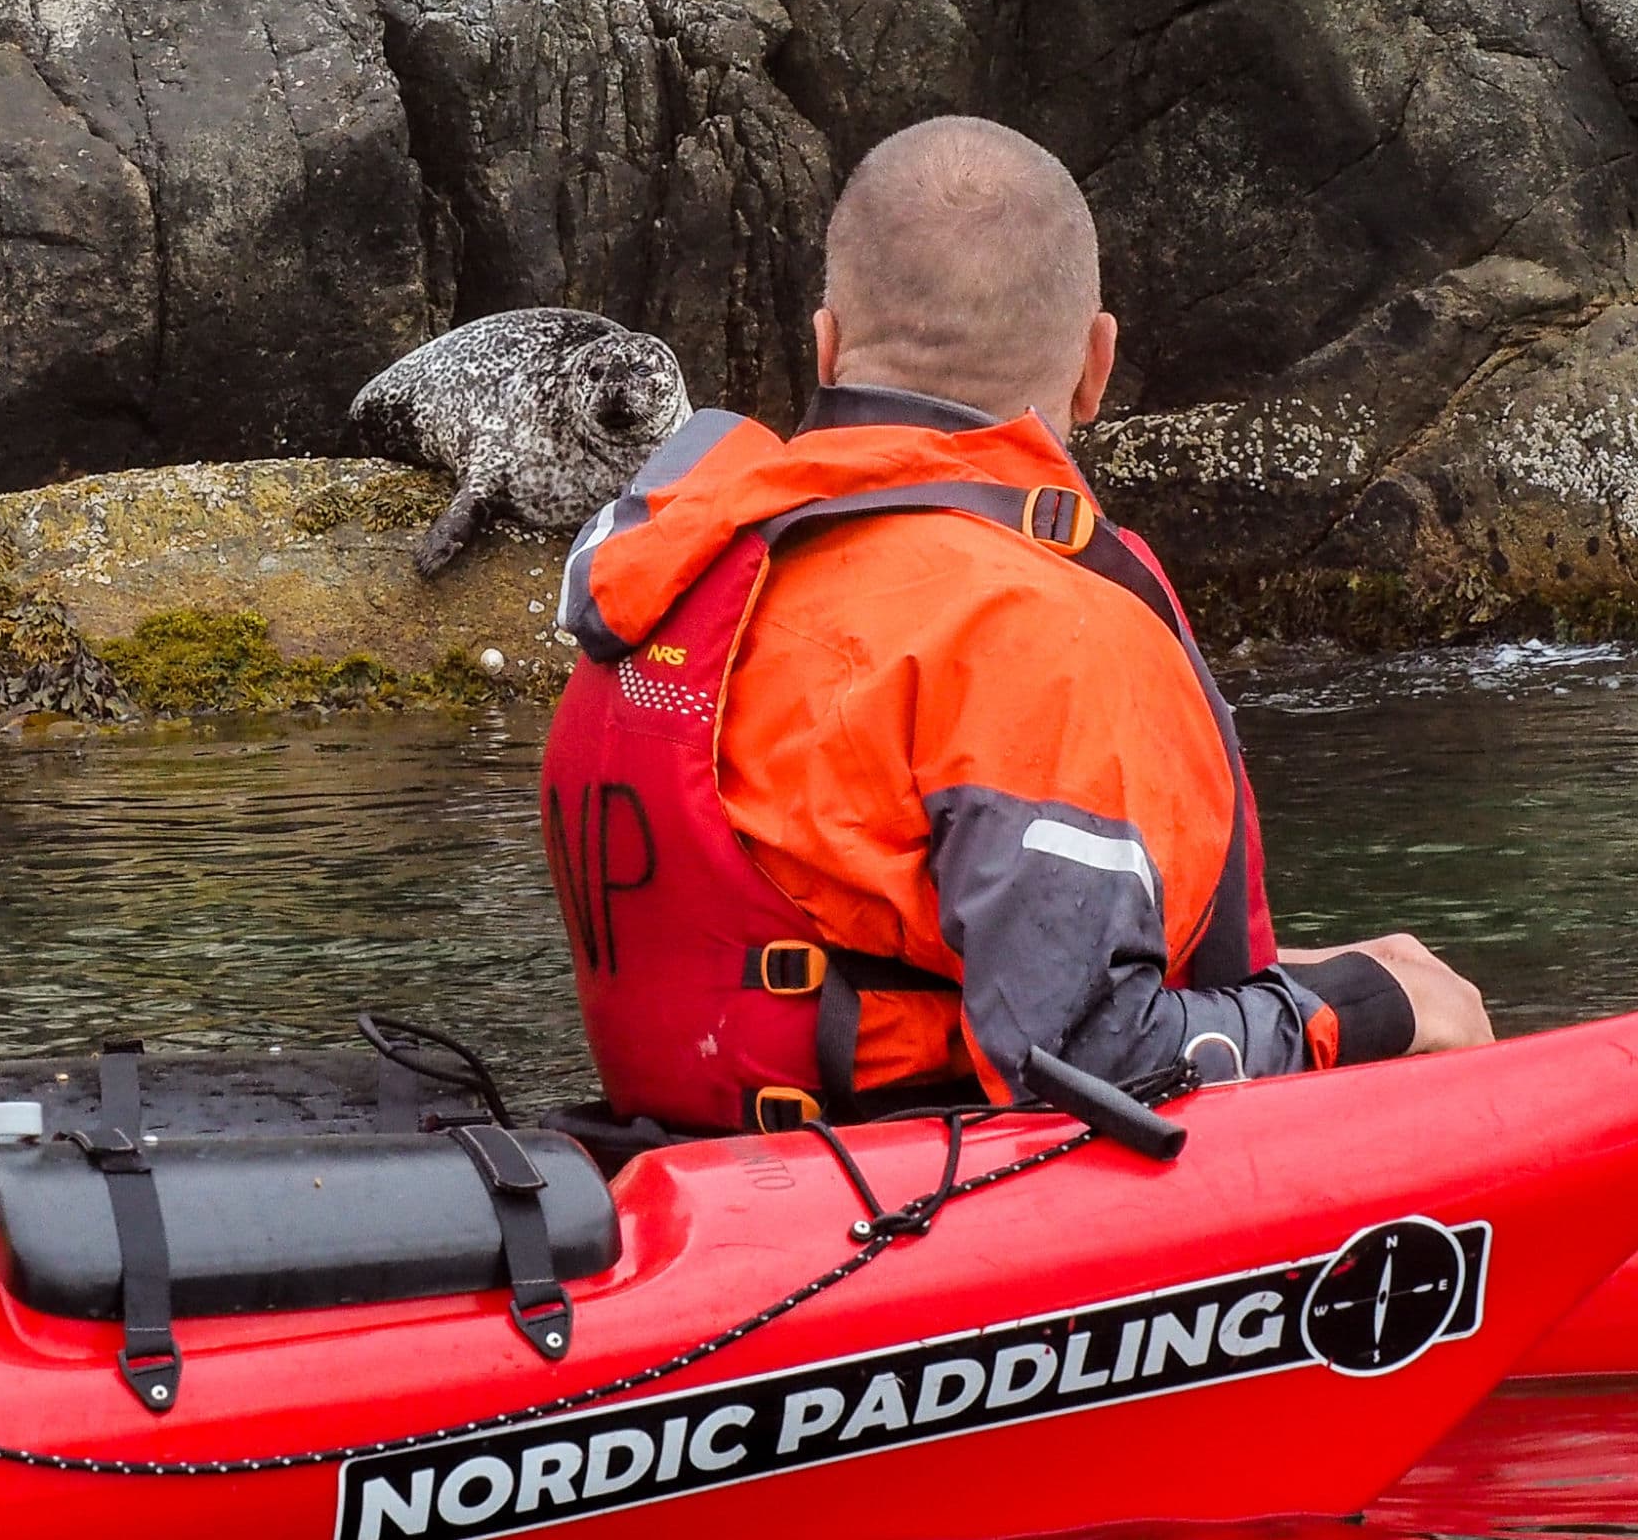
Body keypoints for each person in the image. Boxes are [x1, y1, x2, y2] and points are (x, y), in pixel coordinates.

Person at [541, 117, 1491, 1134]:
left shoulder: (696, 562)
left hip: (692, 1152)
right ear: (1096, 363)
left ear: (824, 345)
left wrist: (1310, 973)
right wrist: (1363, 1008)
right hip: (888, 1192)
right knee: (1422, 1002)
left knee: (1368, 969)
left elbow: (892, 937)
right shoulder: (1033, 628)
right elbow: (1082, 1059)